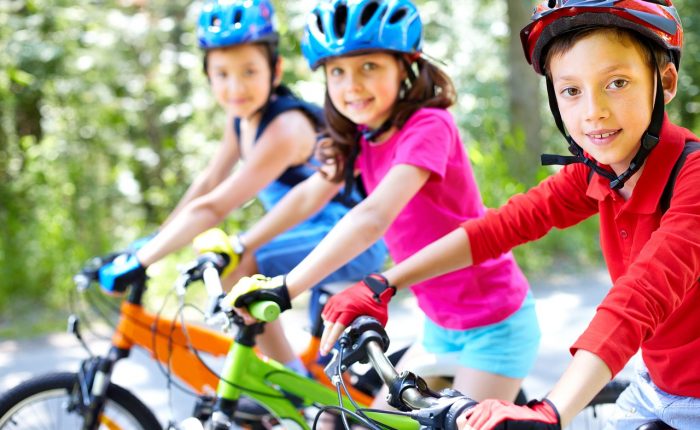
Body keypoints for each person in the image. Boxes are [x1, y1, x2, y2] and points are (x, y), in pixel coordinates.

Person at [310, 1, 700, 429]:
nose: (593, 112)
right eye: (571, 90)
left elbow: (640, 297)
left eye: (617, 82)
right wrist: (384, 282)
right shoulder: (600, 171)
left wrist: (550, 410)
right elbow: (498, 228)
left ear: (664, 82)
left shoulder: (693, 179)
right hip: (656, 389)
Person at [220, 0, 541, 405]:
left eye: (368, 67)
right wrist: (242, 245)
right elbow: (308, 195)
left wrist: (289, 286)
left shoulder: (429, 125)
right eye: (337, 71)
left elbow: (373, 216)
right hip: (439, 325)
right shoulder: (363, 135)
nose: (351, 85)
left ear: (405, 65)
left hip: (494, 326)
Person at [96, 0, 386, 377]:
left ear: (275, 69)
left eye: (250, 71)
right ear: (208, 75)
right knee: (325, 372)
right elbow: (208, 183)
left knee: (243, 263)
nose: (236, 87)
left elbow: (216, 206)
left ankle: (285, 381)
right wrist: (151, 241)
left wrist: (145, 260)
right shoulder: (241, 119)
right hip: (306, 236)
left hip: (349, 239)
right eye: (222, 74)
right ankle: (287, 380)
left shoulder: (283, 127)